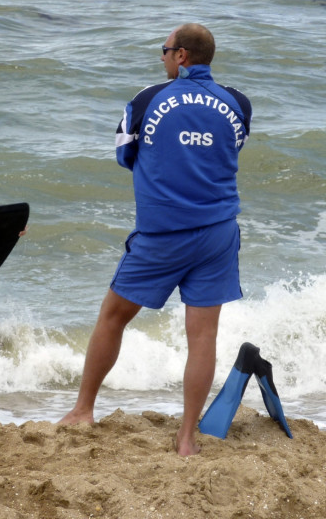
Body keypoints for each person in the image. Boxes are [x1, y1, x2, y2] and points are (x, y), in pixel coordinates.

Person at [59, 23, 252, 456]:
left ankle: (83, 410)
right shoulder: (238, 102)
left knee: (112, 317)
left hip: (162, 236)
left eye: (165, 50)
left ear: (181, 55)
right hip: (219, 233)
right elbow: (231, 148)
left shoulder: (149, 99)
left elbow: (124, 153)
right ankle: (186, 438)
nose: (162, 57)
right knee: (202, 337)